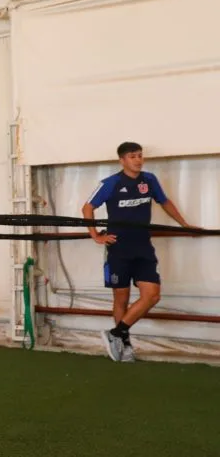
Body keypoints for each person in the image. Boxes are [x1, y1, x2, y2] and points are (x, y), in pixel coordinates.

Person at [82, 142, 194, 362]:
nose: (138, 160)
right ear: (122, 160)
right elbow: (87, 207)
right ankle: (123, 345)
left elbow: (165, 202)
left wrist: (185, 225)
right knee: (121, 300)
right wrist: (95, 235)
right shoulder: (111, 183)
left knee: (152, 295)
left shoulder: (149, 180)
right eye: (133, 156)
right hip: (119, 249)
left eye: (140, 156)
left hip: (143, 247)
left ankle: (116, 333)